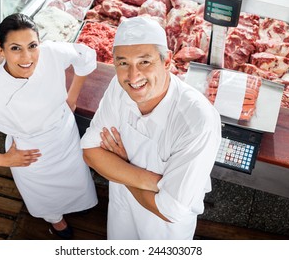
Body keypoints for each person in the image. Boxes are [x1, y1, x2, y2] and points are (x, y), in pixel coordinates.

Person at [0, 13, 98, 239]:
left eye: (32, 46)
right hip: (32, 153)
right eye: (16, 48)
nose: (27, 57)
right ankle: (56, 219)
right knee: (46, 194)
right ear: (1, 50)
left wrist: (72, 96)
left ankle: (80, 202)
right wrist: (4, 159)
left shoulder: (51, 52)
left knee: (77, 176)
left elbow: (86, 57)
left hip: (65, 134)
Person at [80, 17, 222, 240]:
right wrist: (155, 183)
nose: (133, 76)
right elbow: (90, 152)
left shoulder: (197, 121)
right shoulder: (119, 87)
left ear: (167, 62)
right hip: (122, 207)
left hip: (164, 230)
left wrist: (122, 168)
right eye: (123, 63)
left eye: (144, 62)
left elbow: (170, 209)